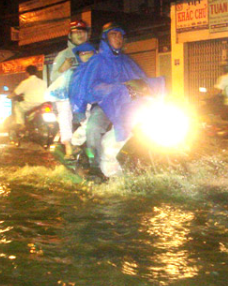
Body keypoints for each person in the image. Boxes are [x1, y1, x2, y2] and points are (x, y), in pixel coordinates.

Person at [70, 22, 158, 178]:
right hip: (105, 105)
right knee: (93, 129)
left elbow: (143, 81)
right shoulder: (97, 61)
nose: (118, 38)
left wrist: (152, 93)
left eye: (120, 35)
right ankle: (94, 165)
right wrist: (79, 108)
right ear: (105, 38)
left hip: (129, 106)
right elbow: (84, 85)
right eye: (113, 34)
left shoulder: (127, 62)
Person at [46, 42, 96, 159]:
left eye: (89, 52)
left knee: (91, 121)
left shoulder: (95, 68)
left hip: (86, 101)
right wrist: (62, 69)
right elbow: (54, 77)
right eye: (83, 53)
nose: (86, 55)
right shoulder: (68, 63)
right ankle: (69, 147)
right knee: (65, 113)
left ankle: (75, 143)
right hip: (67, 97)